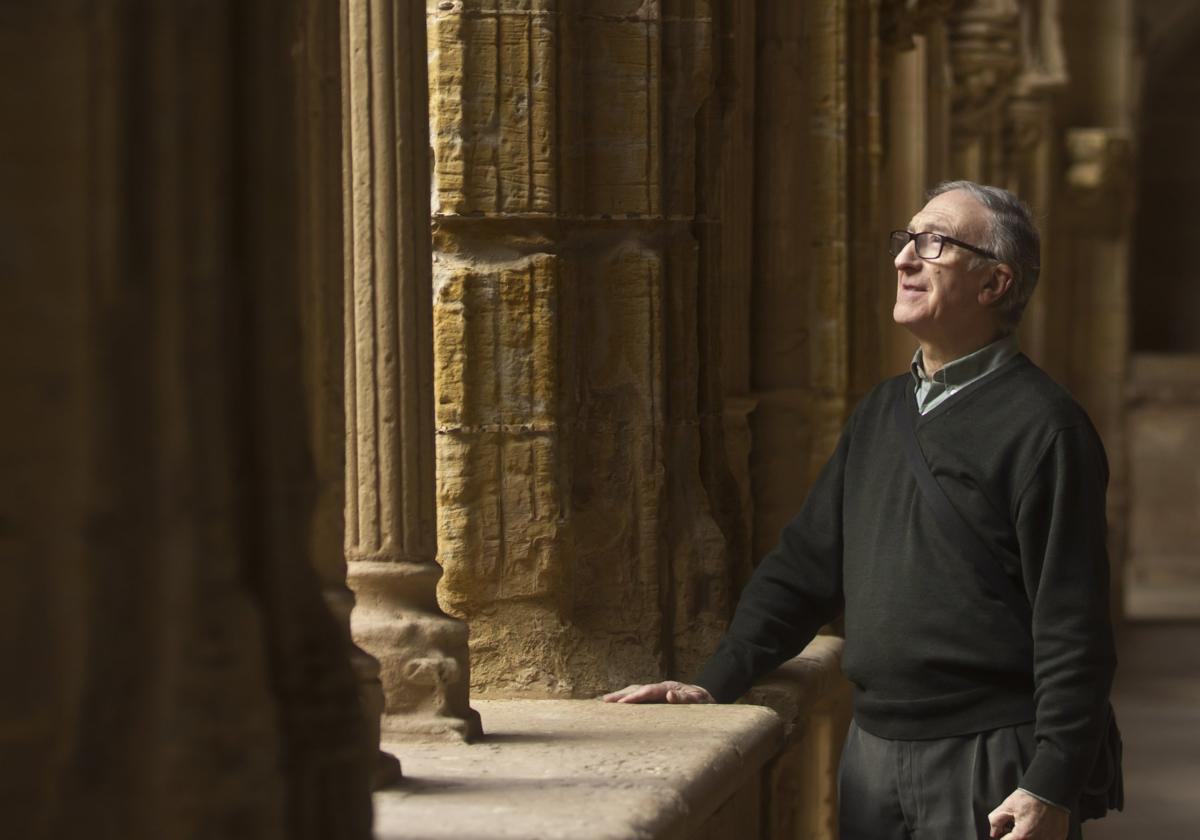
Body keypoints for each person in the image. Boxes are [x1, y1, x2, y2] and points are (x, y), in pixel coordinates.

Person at [603, 181, 1116, 840]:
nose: (904, 260)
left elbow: (1074, 626)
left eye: (934, 244)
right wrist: (713, 682)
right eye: (906, 241)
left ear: (994, 284)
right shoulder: (881, 411)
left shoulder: (1047, 428)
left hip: (991, 756)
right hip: (871, 751)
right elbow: (803, 569)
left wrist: (1051, 779)